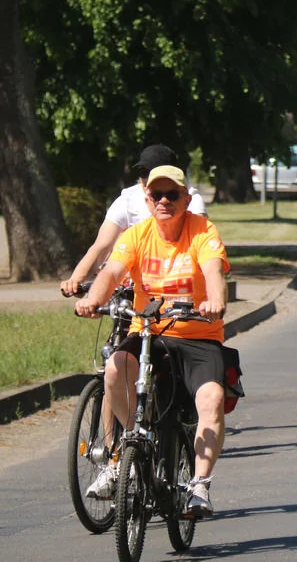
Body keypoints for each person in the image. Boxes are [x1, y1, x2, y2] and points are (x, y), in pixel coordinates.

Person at [74, 165, 229, 518]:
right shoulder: (137, 234)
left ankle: (200, 487)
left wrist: (215, 301)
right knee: (115, 368)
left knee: (212, 397)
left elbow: (213, 271)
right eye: (157, 195)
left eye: (172, 195)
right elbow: (112, 272)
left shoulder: (202, 231)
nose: (164, 201)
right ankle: (125, 452)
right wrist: (93, 299)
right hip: (148, 332)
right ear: (147, 199)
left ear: (186, 199)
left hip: (197, 334)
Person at [61, 144, 207, 297]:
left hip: (175, 279)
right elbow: (102, 246)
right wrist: (76, 280)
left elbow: (201, 246)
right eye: (142, 172)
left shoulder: (188, 199)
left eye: (152, 172)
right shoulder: (128, 199)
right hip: (129, 281)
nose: (145, 179)